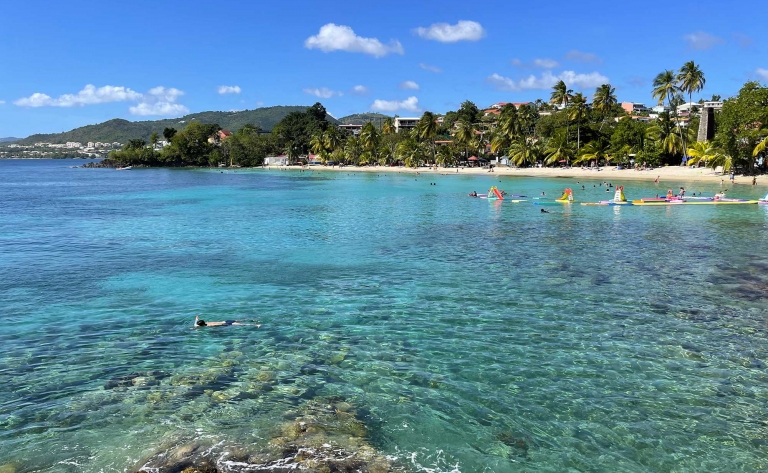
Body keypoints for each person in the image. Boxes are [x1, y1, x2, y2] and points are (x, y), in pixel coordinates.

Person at [194, 315, 260, 328]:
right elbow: (196, 324)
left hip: (227, 323)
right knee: (241, 320)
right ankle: (252, 320)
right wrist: (197, 318)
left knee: (242, 324)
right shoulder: (207, 322)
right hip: (226, 320)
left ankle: (256, 325)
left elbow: (196, 326)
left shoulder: (209, 325)